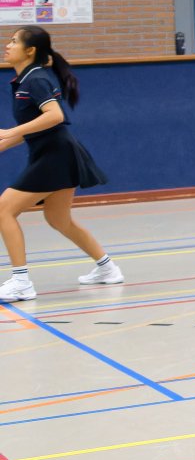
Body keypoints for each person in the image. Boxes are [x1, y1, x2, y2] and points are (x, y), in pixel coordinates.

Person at [0, 28, 116, 302]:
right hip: (54, 154)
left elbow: (54, 117)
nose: (7, 45)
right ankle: (107, 268)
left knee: (3, 209)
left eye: (14, 41)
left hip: (56, 156)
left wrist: (9, 131)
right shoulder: (25, 80)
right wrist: (5, 143)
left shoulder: (36, 79)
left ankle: (21, 282)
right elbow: (36, 127)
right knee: (58, 219)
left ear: (30, 51)